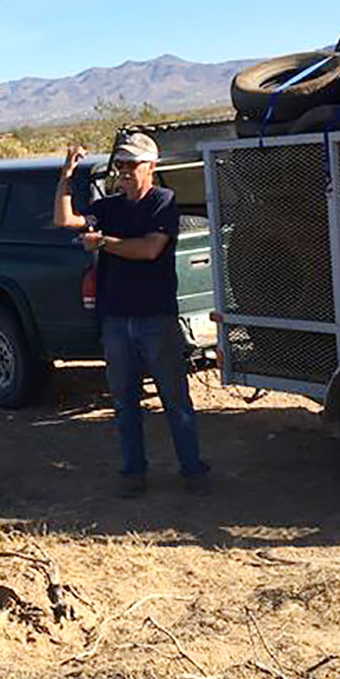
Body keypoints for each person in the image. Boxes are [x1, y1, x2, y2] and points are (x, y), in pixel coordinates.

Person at [53, 133, 208, 497]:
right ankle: (133, 472)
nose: (123, 172)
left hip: (156, 318)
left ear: (150, 167)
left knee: (175, 400)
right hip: (116, 320)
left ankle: (193, 471)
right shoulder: (109, 207)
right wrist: (66, 174)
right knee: (124, 403)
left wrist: (104, 242)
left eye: (130, 165)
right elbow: (64, 220)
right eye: (119, 165)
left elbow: (150, 249)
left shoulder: (163, 202)